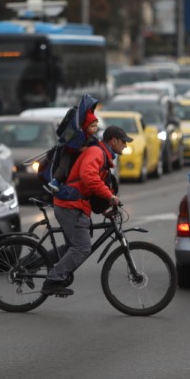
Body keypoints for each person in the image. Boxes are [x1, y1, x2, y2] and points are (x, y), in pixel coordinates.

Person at [41, 125, 133, 297]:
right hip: (70, 206)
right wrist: (110, 196)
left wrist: (105, 208)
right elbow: (88, 176)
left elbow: (89, 188)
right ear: (113, 140)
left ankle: (28, 263)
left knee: (70, 248)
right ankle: (53, 280)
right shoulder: (97, 153)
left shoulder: (102, 155)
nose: (125, 146)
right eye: (123, 142)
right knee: (82, 248)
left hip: (73, 205)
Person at [44, 108, 100, 194]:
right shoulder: (80, 135)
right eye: (92, 126)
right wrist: (79, 149)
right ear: (85, 126)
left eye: (96, 126)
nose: (95, 129)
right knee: (63, 167)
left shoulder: (92, 137)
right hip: (68, 155)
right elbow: (69, 146)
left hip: (79, 159)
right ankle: (55, 181)